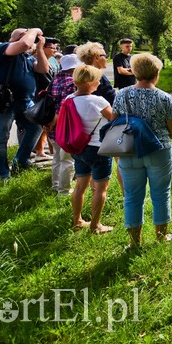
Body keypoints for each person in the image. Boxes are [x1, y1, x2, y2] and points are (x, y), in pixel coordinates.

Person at [111, 54, 172, 249]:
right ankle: (161, 237)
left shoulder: (121, 95)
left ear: (136, 73)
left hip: (130, 151)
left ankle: (134, 243)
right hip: (159, 151)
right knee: (161, 193)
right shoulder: (164, 97)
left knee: (132, 196)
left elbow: (114, 122)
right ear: (156, 73)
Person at [0, 28, 50, 182]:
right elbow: (24, 44)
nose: (33, 40)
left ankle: (21, 162)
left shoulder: (26, 57)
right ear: (19, 37)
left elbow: (43, 69)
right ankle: (1, 174)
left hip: (24, 101)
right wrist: (34, 30)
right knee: (0, 138)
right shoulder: (1, 49)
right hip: (3, 102)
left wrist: (39, 49)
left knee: (36, 127)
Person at [68, 65, 115, 234]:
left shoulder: (69, 99)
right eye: (97, 80)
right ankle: (95, 225)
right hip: (98, 149)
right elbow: (114, 119)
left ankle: (77, 220)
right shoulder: (99, 101)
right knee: (101, 188)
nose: (99, 83)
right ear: (91, 82)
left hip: (78, 148)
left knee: (80, 186)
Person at [76, 41, 121, 194]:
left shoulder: (82, 74)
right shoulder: (97, 77)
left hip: (86, 130)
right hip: (104, 126)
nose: (106, 58)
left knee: (87, 171)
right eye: (103, 55)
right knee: (120, 160)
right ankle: (125, 194)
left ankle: (96, 193)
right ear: (95, 57)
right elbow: (111, 103)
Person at [47, 53, 81, 196]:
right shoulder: (72, 83)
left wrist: (49, 124)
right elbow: (63, 107)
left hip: (51, 128)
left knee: (56, 158)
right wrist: (55, 123)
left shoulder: (55, 80)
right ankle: (64, 190)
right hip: (65, 127)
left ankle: (55, 185)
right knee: (67, 160)